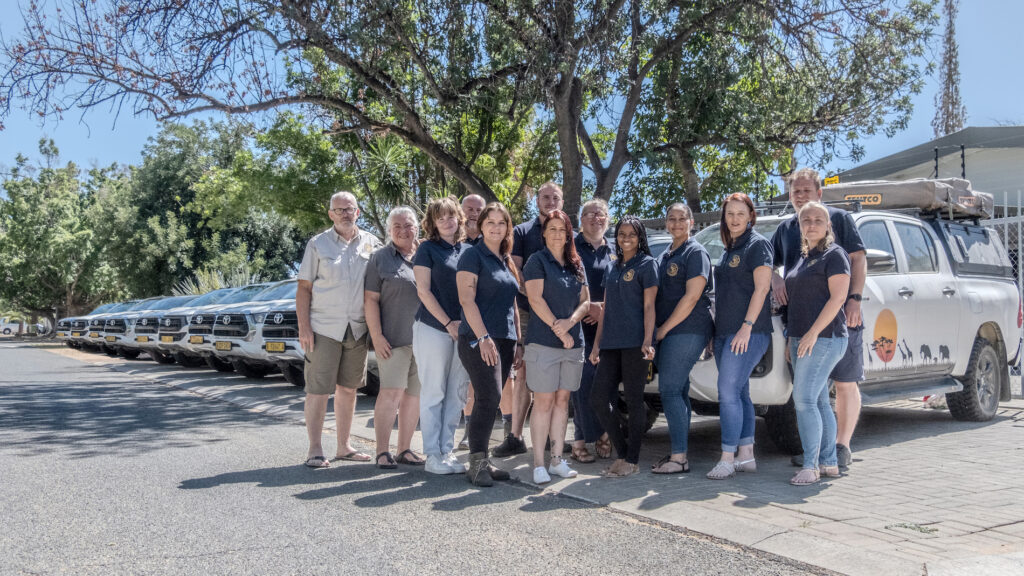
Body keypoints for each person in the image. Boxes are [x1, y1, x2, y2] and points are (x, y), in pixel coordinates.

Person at [772, 168, 866, 469]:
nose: (800, 196)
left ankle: (841, 447)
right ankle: (820, 452)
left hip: (838, 319)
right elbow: (771, 263)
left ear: (819, 194)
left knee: (844, 381)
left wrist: (854, 300)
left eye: (806, 191)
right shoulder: (787, 228)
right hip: (800, 322)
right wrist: (776, 279)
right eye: (795, 191)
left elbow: (858, 259)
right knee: (815, 394)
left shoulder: (837, 219)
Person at [297, 191, 381, 468]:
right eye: (339, 209)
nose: (345, 213)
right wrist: (304, 327)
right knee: (319, 391)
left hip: (357, 330)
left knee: (348, 390)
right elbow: (304, 288)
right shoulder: (318, 244)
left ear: (358, 212)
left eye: (350, 209)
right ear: (331, 214)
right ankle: (315, 448)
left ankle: (344, 446)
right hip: (324, 328)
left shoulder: (372, 243)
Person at [493, 182, 566, 458]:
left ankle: (550, 436)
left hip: (560, 315)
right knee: (523, 372)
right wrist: (538, 296)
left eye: (555, 197)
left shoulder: (568, 231)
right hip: (526, 310)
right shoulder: (522, 232)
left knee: (556, 375)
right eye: (545, 197)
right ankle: (516, 436)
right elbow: (516, 270)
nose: (550, 201)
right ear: (537, 201)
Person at [707, 193, 773, 480]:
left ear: (750, 216)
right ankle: (746, 456)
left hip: (748, 333)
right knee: (740, 392)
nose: (734, 219)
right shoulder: (729, 248)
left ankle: (726, 457)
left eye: (740, 214)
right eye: (729, 214)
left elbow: (761, 290)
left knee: (727, 392)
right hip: (723, 333)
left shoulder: (758, 246)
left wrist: (746, 326)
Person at [785, 201, 851, 485]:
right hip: (800, 338)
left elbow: (838, 299)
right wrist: (793, 338)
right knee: (821, 400)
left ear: (828, 226)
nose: (811, 224)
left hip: (824, 338)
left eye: (817, 220)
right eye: (805, 220)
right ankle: (829, 463)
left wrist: (812, 334)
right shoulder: (804, 256)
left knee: (804, 400)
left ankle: (810, 466)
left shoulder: (835, 255)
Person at [523, 209, 591, 484]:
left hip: (573, 344)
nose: (557, 234)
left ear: (569, 234)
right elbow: (535, 299)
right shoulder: (536, 261)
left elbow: (586, 301)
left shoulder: (576, 263)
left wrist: (571, 322)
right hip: (544, 343)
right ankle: (538, 463)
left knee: (563, 402)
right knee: (544, 402)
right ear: (544, 232)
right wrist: (558, 328)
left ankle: (556, 461)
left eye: (562, 230)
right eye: (552, 229)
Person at [457, 202, 521, 486]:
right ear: (480, 225)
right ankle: (476, 463)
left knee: (493, 399)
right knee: (487, 397)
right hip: (478, 338)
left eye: (502, 223)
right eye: (490, 222)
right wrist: (483, 337)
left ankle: (484, 459)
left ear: (508, 227)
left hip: (506, 339)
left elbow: (513, 304)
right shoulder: (472, 256)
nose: (496, 227)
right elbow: (466, 299)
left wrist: (518, 340)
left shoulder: (505, 259)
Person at [589, 215, 658, 478]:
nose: (626, 238)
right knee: (597, 398)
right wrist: (596, 345)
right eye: (621, 234)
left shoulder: (647, 264)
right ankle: (623, 451)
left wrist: (648, 341)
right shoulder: (612, 266)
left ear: (640, 237)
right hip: (610, 344)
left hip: (635, 344)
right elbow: (605, 311)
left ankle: (631, 460)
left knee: (634, 400)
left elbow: (650, 306)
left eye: (632, 234)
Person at [412, 196, 472, 475]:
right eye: (441, 217)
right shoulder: (427, 250)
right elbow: (423, 291)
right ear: (433, 224)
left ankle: (447, 450)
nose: (447, 221)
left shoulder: (468, 251)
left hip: (464, 331)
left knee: (457, 393)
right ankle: (432, 455)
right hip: (433, 329)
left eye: (451, 216)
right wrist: (448, 322)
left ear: (459, 218)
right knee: (434, 391)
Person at [652, 203, 713, 474]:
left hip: (688, 329)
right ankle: (680, 451)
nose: (676, 223)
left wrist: (663, 330)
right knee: (679, 391)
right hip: (672, 330)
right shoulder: (667, 254)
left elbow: (691, 297)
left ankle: (679, 458)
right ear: (666, 223)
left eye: (682, 219)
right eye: (671, 219)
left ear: (691, 222)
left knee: (669, 389)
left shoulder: (695, 252)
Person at [365, 206, 425, 469]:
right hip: (393, 340)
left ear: (417, 228)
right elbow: (370, 300)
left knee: (414, 396)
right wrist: (376, 336)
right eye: (397, 226)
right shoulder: (380, 259)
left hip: (425, 341)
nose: (403, 230)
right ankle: (381, 451)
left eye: (408, 225)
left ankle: (404, 449)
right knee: (391, 393)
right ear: (390, 231)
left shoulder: (426, 254)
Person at [571, 199, 614, 463]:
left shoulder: (615, 250)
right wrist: (587, 307)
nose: (596, 218)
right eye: (590, 214)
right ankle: (581, 439)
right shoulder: (571, 248)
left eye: (601, 214)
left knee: (604, 384)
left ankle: (602, 434)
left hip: (608, 328)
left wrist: (603, 309)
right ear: (581, 220)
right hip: (578, 325)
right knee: (582, 382)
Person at [457, 194, 487, 451]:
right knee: (464, 381)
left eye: (479, 209)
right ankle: (466, 432)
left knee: (481, 383)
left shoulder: (492, 243)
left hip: (487, 321)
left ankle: (477, 434)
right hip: (457, 321)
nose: (474, 213)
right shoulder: (452, 241)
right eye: (469, 208)